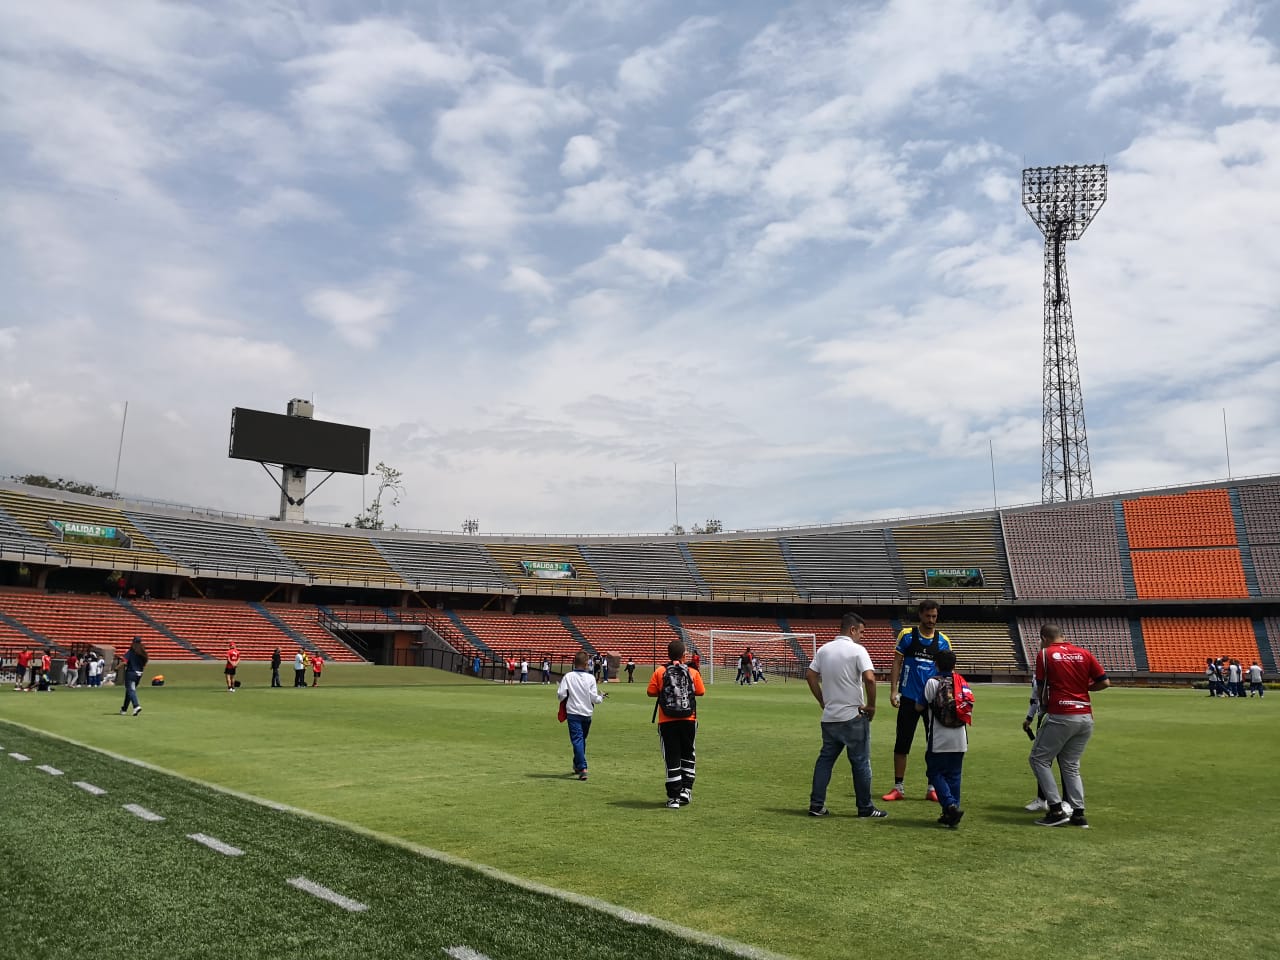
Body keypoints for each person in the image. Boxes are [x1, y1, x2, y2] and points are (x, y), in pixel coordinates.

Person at [806, 613, 886, 819]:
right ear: (852, 630)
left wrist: (822, 700)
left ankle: (817, 805)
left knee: (825, 761)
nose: (862, 636)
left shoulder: (823, 650)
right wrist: (872, 706)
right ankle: (865, 807)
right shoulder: (858, 650)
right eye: (861, 632)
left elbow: (810, 675)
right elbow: (870, 678)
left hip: (830, 716)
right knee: (860, 762)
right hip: (853, 716)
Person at [1029, 624, 1110, 827]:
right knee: (1071, 764)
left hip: (1061, 714)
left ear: (1044, 638)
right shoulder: (1084, 653)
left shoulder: (1045, 654)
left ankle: (1055, 809)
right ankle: (1078, 813)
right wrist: (1085, 689)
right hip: (1085, 716)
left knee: (1038, 759)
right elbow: (1105, 682)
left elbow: (1042, 686)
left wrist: (1044, 707)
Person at [883, 600, 950, 802]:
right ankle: (898, 788)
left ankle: (932, 787)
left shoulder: (943, 641)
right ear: (920, 615)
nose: (931, 620)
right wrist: (894, 689)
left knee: (934, 745)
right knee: (902, 743)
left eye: (934, 616)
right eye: (928, 616)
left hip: (932, 702)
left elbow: (947, 672)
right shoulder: (907, 636)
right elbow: (896, 662)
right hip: (909, 699)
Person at [647, 639, 706, 808]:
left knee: (671, 756)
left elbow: (651, 692)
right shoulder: (692, 671)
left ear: (668, 654)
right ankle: (686, 791)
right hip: (688, 719)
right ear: (684, 655)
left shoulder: (660, 671)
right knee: (688, 753)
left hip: (667, 720)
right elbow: (701, 691)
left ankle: (673, 797)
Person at [917, 648, 971, 827]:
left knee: (935, 772)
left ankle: (949, 805)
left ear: (936, 664)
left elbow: (920, 706)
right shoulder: (961, 681)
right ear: (954, 664)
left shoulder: (933, 682)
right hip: (960, 736)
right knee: (954, 775)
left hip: (939, 736)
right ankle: (950, 812)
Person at [557, 650, 607, 780]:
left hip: (573, 712)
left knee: (578, 740)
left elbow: (561, 694)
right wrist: (601, 697)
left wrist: (568, 697)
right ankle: (580, 765)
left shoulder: (568, 677)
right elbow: (594, 698)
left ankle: (580, 766)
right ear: (586, 664)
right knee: (580, 740)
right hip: (586, 713)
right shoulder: (590, 678)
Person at [119, 637, 148, 717]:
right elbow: (144, 664)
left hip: (131, 673)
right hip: (139, 673)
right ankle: (124, 709)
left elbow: (124, 661)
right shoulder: (143, 652)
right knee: (129, 691)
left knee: (131, 690)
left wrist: (116, 668)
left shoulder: (131, 651)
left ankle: (136, 706)